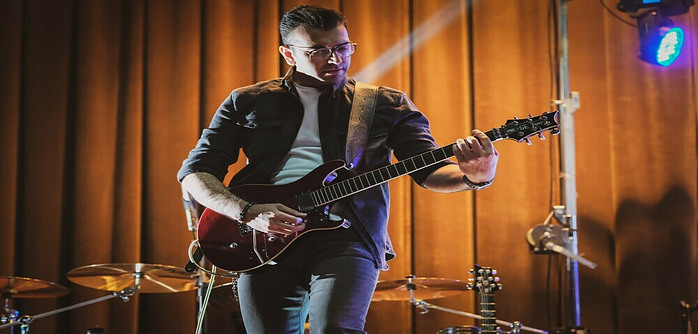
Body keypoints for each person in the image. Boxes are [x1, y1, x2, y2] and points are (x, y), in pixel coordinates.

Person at [177, 4, 499, 333]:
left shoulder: (386, 104)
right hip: (261, 235)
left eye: (342, 47)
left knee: (337, 329)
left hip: (349, 235)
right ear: (288, 54)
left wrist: (476, 175)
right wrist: (246, 212)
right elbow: (196, 173)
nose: (335, 59)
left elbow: (428, 171)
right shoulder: (247, 100)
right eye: (318, 51)